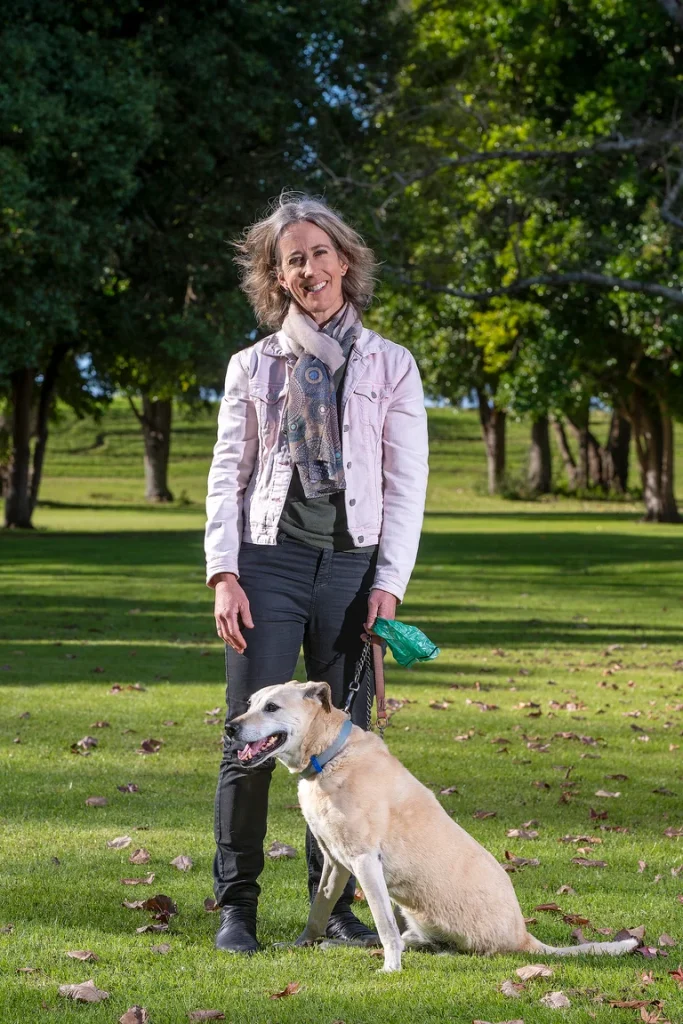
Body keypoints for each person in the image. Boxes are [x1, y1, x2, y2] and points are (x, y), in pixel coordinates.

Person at [204, 192, 429, 954]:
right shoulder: (251, 366)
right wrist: (223, 575)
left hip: (352, 570)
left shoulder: (391, 364)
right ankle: (236, 907)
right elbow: (227, 475)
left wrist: (387, 584)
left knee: (334, 752)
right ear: (277, 275)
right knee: (250, 741)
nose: (310, 268)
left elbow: (406, 485)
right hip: (267, 564)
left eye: (320, 252)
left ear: (345, 260)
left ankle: (331, 911)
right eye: (292, 258)